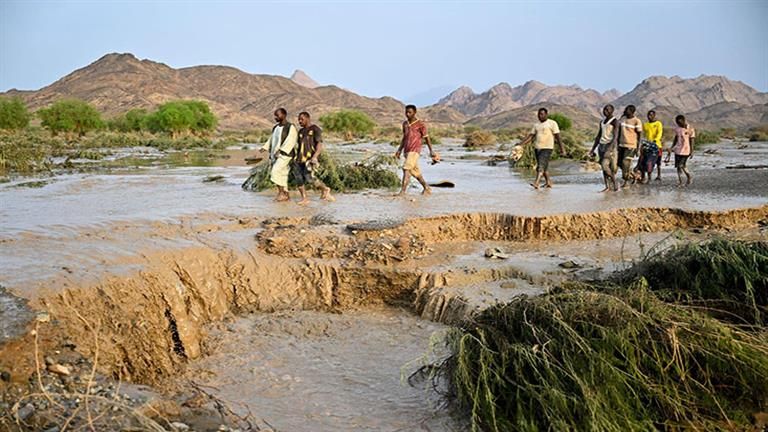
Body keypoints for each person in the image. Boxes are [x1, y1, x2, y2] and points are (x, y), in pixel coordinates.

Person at [394, 105, 438, 196]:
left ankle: (402, 192)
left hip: (415, 150)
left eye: (410, 112)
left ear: (414, 112)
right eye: (406, 112)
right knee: (415, 172)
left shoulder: (420, 124)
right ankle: (426, 187)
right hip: (406, 150)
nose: (407, 114)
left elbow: (426, 138)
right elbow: (404, 138)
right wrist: (399, 150)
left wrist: (431, 151)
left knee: (406, 169)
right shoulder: (405, 124)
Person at [517, 107, 565, 189]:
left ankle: (536, 182)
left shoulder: (552, 123)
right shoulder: (536, 125)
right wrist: (521, 144)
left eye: (542, 114)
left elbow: (558, 136)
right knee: (544, 167)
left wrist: (562, 149)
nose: (540, 116)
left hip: (547, 147)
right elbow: (531, 136)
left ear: (546, 114)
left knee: (540, 166)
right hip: (537, 148)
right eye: (539, 114)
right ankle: (548, 182)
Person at [293, 111, 334, 204]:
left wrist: (315, 157)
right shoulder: (300, 131)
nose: (299, 121)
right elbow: (299, 146)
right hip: (299, 159)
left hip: (309, 159)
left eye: (301, 119)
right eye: (298, 119)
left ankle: (325, 189)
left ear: (308, 118)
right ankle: (304, 199)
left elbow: (319, 144)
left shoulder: (315, 129)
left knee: (309, 178)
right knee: (298, 179)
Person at [259, 108, 298, 201]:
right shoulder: (276, 127)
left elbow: (291, 141)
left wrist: (281, 151)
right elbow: (272, 139)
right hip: (275, 155)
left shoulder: (290, 127)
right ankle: (286, 194)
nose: (275, 117)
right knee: (283, 174)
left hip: (286, 155)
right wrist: (265, 147)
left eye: (277, 115)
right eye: (275, 115)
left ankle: (281, 193)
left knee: (275, 171)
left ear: (284, 115)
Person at [588, 104, 619, 192]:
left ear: (612, 111)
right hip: (601, 145)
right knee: (604, 169)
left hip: (610, 145)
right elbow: (598, 136)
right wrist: (592, 149)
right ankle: (607, 186)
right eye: (604, 109)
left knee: (605, 166)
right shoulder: (602, 122)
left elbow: (615, 136)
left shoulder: (615, 121)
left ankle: (615, 183)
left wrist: (610, 149)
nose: (605, 111)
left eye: (607, 110)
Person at [665, 114, 695, 186]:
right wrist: (672, 147)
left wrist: (692, 150)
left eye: (679, 122)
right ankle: (680, 182)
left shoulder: (690, 129)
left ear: (683, 121)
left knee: (681, 165)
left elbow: (692, 140)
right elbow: (676, 138)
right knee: (679, 166)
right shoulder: (677, 129)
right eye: (677, 123)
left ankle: (689, 176)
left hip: (686, 150)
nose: (679, 124)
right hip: (678, 150)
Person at [617, 105, 643, 187]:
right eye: (625, 109)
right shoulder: (623, 119)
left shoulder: (637, 121)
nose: (625, 111)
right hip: (621, 145)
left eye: (627, 110)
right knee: (619, 163)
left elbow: (639, 135)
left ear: (632, 111)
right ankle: (634, 175)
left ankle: (626, 181)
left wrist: (638, 148)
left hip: (631, 145)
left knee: (626, 163)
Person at [642, 109, 664, 181]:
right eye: (648, 115)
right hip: (648, 146)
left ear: (654, 115)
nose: (649, 116)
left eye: (651, 115)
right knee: (647, 161)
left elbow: (659, 133)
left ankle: (659, 175)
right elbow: (644, 134)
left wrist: (656, 140)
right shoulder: (645, 125)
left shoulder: (658, 124)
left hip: (657, 145)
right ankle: (648, 176)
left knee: (658, 161)